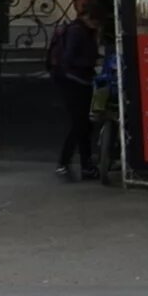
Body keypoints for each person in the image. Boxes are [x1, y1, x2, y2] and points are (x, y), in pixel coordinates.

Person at [47, 10, 103, 182]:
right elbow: (69, 58)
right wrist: (91, 62)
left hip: (81, 81)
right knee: (80, 124)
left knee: (85, 125)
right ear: (88, 18)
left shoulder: (85, 31)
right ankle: (64, 163)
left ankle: (86, 166)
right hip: (72, 82)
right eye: (96, 21)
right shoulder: (77, 31)